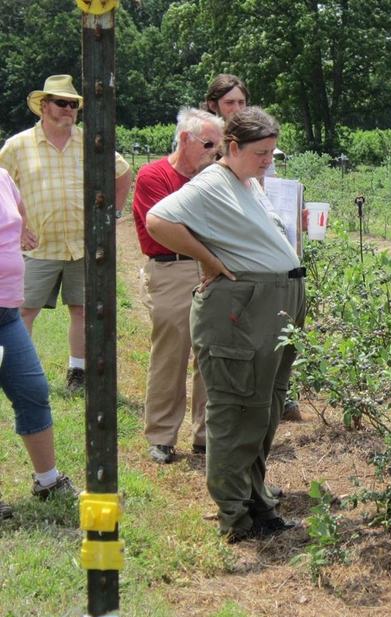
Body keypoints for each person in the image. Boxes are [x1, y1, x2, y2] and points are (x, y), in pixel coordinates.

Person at [147, 107, 307, 543]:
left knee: (264, 407)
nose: (268, 161)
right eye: (261, 152)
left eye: (272, 151)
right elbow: (157, 220)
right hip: (243, 309)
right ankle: (235, 515)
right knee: (237, 408)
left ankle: (257, 500)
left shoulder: (246, 181)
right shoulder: (211, 182)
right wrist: (209, 260)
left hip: (274, 302)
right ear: (232, 147)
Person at [0, 75, 131, 394]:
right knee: (23, 311)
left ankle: (77, 372)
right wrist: (16, 229)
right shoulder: (18, 145)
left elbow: (123, 171)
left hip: (81, 245)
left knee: (82, 310)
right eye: (62, 103)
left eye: (74, 104)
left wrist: (112, 215)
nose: (69, 109)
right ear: (44, 107)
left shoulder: (91, 141)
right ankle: (14, 373)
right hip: (36, 246)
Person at [203, 73, 301, 421]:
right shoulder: (211, 152)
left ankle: (269, 399)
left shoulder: (260, 148)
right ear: (214, 105)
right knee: (224, 347)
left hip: (268, 265)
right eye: (230, 103)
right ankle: (214, 421)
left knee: (266, 339)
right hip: (231, 265)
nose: (237, 108)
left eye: (242, 102)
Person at [132, 108, 224, 464]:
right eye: (208, 144)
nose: (213, 152)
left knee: (210, 352)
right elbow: (168, 227)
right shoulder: (153, 175)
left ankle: (206, 434)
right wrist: (208, 248)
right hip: (171, 269)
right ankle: (161, 434)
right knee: (171, 352)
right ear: (184, 139)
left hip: (209, 267)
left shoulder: (214, 176)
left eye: (217, 147)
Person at [0, 166, 77, 519]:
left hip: (7, 313)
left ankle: (48, 481)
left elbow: (18, 208)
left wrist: (23, 231)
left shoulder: (3, 177)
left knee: (32, 389)